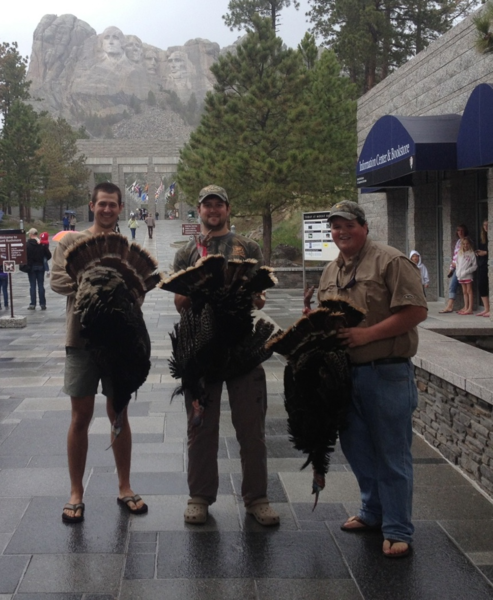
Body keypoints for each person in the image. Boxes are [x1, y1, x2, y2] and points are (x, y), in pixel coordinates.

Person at [313, 200, 427, 558]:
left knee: (392, 454)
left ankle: (397, 529)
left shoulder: (391, 261)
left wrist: (368, 335)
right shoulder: (330, 271)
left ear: (363, 227)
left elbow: (416, 311)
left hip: (387, 372)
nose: (341, 232)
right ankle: (372, 512)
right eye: (335, 227)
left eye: (348, 225)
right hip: (345, 376)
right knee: (358, 451)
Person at [172, 184, 279, 527]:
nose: (212, 210)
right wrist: (198, 286)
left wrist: (251, 296)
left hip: (242, 347)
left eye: (218, 205)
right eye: (207, 206)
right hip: (201, 349)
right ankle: (199, 497)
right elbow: (178, 304)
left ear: (227, 209)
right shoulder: (186, 252)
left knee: (251, 426)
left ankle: (257, 498)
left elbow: (259, 297)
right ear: (199, 211)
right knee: (201, 429)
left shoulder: (246, 247)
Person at [51, 182, 147, 524]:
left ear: (121, 208)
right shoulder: (70, 242)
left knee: (118, 413)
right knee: (80, 416)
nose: (107, 210)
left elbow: (140, 291)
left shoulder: (129, 246)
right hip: (80, 340)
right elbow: (58, 282)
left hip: (119, 342)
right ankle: (76, 492)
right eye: (101, 204)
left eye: (113, 205)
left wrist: (120, 294)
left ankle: (125, 486)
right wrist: (98, 283)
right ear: (92, 205)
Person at [440, 224, 468, 313]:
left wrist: (457, 264)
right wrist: (451, 267)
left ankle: (450, 305)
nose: (460, 232)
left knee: (454, 285)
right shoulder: (458, 242)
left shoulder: (467, 241)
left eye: (462, 230)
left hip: (463, 267)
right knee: (455, 286)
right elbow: (455, 256)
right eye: (459, 230)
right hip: (456, 267)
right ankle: (452, 305)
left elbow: (466, 255)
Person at [26, 228, 51, 310]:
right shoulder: (41, 244)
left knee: (32, 285)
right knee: (41, 285)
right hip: (40, 267)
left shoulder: (27, 245)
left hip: (31, 267)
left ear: (30, 234)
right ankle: (42, 304)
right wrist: (44, 259)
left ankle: (32, 304)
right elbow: (49, 255)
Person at [456, 236, 477, 315]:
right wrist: (458, 272)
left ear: (469, 244)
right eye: (464, 244)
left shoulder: (471, 253)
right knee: (464, 292)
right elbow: (457, 263)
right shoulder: (460, 253)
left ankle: (470, 308)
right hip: (460, 275)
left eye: (467, 244)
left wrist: (466, 271)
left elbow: (475, 266)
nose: (465, 245)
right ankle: (465, 306)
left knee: (469, 291)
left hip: (467, 275)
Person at [476, 219, 489, 317]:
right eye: (484, 225)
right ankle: (486, 308)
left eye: (488, 225)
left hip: (488, 265)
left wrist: (486, 253)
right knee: (482, 286)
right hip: (482, 265)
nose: (486, 227)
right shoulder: (482, 238)